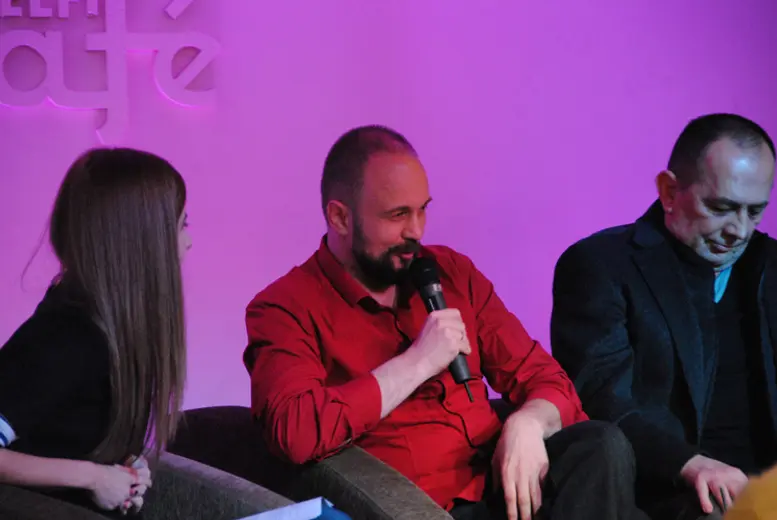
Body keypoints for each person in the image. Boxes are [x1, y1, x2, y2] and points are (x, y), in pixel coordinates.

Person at [243, 125, 648, 520]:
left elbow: (548, 379)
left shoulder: (452, 273)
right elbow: (294, 432)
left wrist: (528, 423)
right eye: (398, 215)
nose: (416, 231)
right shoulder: (284, 308)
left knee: (602, 446)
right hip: (417, 505)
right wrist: (417, 362)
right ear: (340, 217)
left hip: (502, 486)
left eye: (422, 209)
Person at [550, 113, 777, 520]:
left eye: (755, 211)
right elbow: (600, 398)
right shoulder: (601, 266)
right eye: (721, 208)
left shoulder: (770, 265)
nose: (740, 230)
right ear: (669, 191)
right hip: (669, 494)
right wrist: (690, 463)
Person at [0, 147, 192, 517]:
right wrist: (92, 477)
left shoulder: (110, 328)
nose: (188, 241)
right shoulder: (64, 339)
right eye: (182, 225)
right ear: (142, 241)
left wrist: (121, 470)